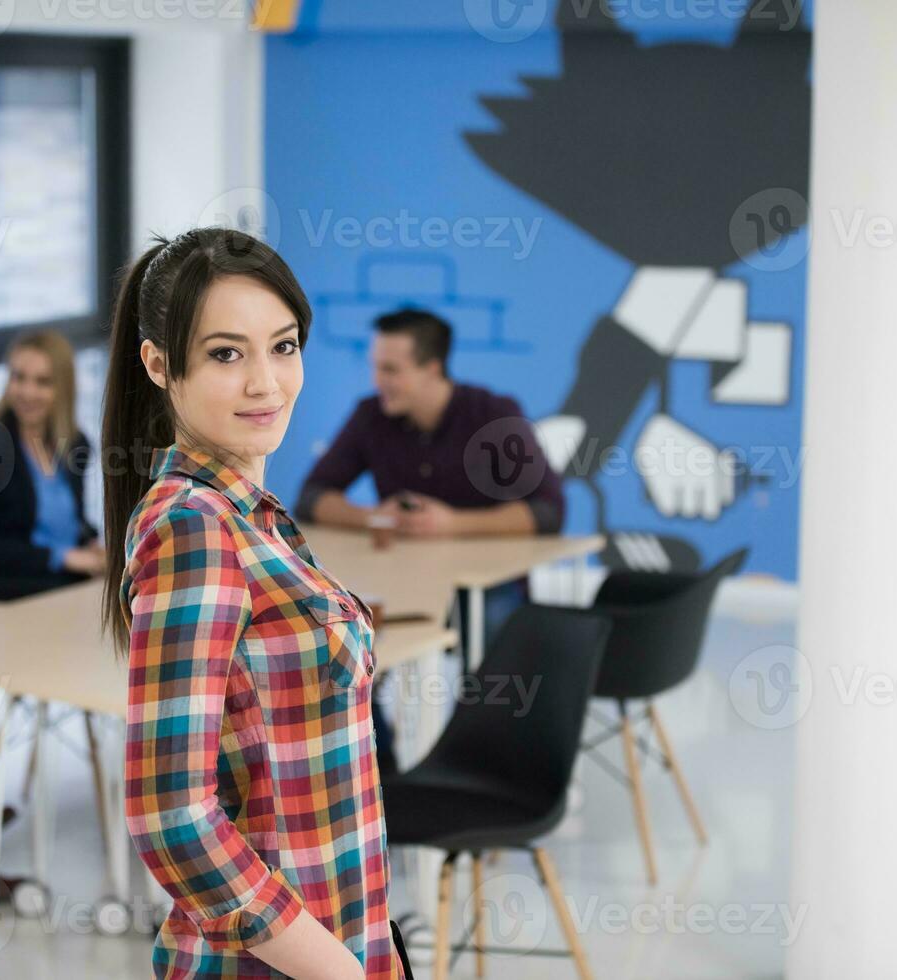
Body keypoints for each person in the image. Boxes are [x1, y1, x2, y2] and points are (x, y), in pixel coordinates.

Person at [101, 228, 405, 980]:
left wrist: (374, 952)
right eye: (226, 354)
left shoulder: (250, 516)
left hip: (337, 937)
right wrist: (340, 973)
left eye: (284, 346)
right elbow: (171, 818)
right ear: (158, 365)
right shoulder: (192, 529)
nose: (266, 383)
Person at [295, 307, 567, 769]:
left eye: (391, 370)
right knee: (340, 650)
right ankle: (381, 780)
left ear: (432, 369)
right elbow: (312, 497)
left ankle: (500, 770)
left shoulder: (493, 414)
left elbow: (547, 511)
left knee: (499, 661)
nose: (379, 380)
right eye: (377, 368)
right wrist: (370, 518)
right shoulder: (371, 416)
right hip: (398, 585)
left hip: (483, 588)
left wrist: (451, 524)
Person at [0, 330, 104, 598]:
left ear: (63, 389)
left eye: (43, 382)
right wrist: (61, 557)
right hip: (13, 593)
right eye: (18, 378)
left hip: (68, 588)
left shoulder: (76, 443)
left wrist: (90, 546)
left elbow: (69, 522)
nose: (28, 392)